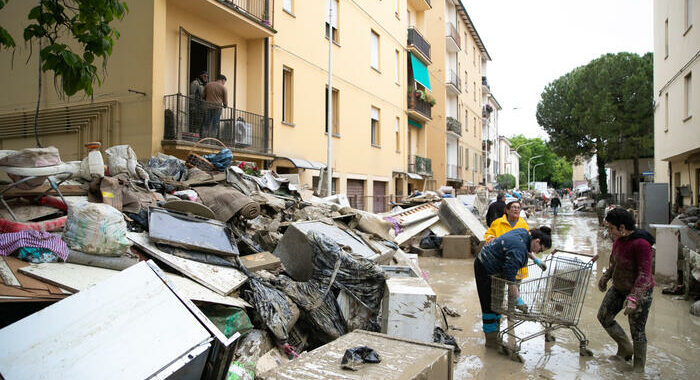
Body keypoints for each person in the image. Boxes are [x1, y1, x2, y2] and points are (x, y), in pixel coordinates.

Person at [474, 227, 552, 348]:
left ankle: (495, 335)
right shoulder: (518, 251)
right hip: (484, 266)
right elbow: (510, 280)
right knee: (488, 305)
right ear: (537, 241)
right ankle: (491, 341)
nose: (538, 252)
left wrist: (536, 260)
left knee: (497, 304)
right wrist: (518, 301)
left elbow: (523, 247)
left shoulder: (524, 233)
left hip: (496, 266)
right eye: (540, 251)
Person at [598, 208, 655, 372]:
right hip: (619, 287)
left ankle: (638, 367)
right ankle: (625, 348)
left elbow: (645, 274)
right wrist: (605, 277)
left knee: (637, 330)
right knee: (604, 316)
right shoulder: (618, 241)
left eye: (611, 228)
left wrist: (633, 298)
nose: (610, 232)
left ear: (622, 227)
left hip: (640, 291)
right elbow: (614, 263)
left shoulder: (641, 244)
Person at [485, 200, 544, 281]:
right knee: (498, 290)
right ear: (507, 210)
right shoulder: (498, 222)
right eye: (513, 207)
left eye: (518, 208)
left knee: (514, 288)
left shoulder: (523, 224)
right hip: (500, 262)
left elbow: (528, 245)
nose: (516, 209)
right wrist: (493, 240)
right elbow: (488, 235)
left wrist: (536, 260)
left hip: (517, 264)